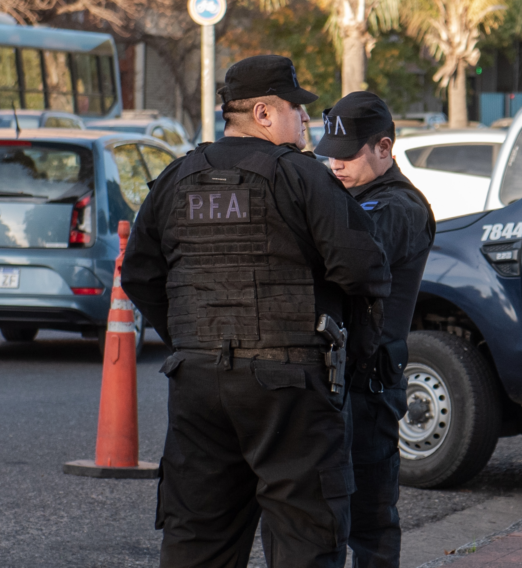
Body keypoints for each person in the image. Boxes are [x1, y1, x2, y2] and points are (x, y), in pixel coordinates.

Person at [120, 56, 391, 568]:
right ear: (264, 113)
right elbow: (364, 270)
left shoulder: (177, 177)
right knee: (305, 540)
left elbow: (139, 274)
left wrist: (190, 339)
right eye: (297, 108)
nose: (306, 120)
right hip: (290, 388)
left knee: (199, 540)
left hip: (198, 384)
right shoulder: (301, 177)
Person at [314, 92, 436, 568]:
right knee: (325, 518)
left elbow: (350, 256)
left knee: (370, 522)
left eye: (347, 156)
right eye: (330, 156)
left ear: (384, 148)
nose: (336, 165)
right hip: (340, 381)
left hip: (369, 385)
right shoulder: (348, 196)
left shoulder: (399, 207)